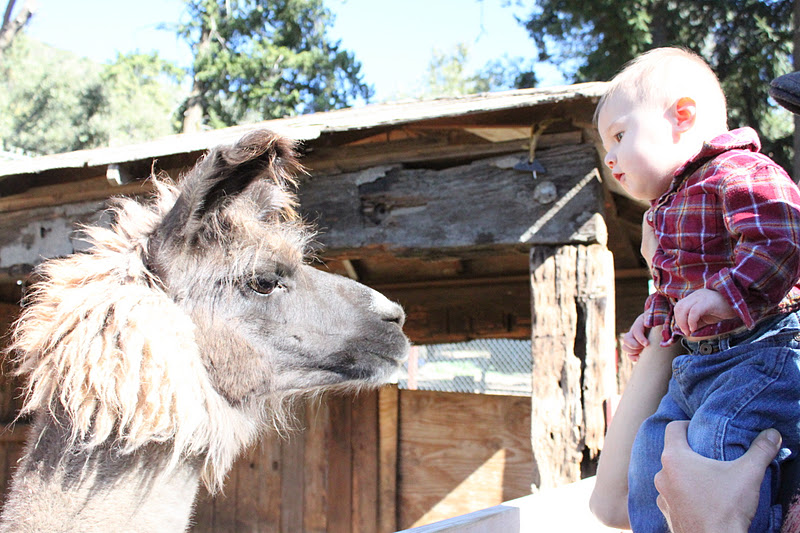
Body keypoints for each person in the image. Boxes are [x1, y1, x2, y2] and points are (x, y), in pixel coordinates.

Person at [592, 47, 800, 533]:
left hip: (761, 349)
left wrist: (728, 294)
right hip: (701, 361)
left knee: (716, 435)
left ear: (682, 117)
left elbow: (783, 238)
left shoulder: (740, 173)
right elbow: (676, 284)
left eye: (620, 135)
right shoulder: (670, 205)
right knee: (653, 446)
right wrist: (655, 318)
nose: (609, 155)